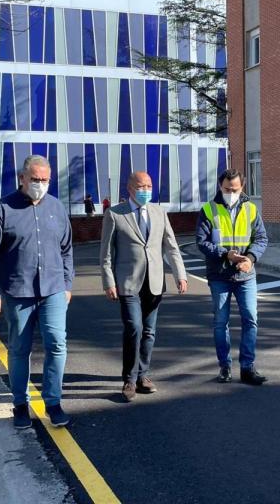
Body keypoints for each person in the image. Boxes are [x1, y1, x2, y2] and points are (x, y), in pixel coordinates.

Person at [0, 155, 74, 428]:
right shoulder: (2, 209)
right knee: (19, 348)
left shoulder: (56, 208)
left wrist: (68, 284)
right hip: (18, 290)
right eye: (35, 179)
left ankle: (53, 402)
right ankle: (20, 404)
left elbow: (66, 249)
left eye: (45, 180)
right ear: (22, 178)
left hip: (53, 289)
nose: (40, 184)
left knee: (57, 343)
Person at [100, 172, 188, 402]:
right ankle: (129, 379)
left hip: (154, 281)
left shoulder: (159, 212)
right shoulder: (115, 214)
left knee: (149, 331)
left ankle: (143, 375)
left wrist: (180, 274)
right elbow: (106, 253)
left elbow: (171, 246)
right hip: (128, 282)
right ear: (130, 188)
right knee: (134, 327)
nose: (146, 190)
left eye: (149, 186)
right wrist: (109, 281)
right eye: (141, 186)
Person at [196, 169, 269, 385]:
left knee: (251, 320)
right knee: (221, 322)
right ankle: (225, 366)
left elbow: (261, 238)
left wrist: (250, 259)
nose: (231, 193)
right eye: (227, 189)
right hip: (219, 275)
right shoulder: (209, 209)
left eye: (235, 189)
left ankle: (247, 367)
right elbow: (202, 241)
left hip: (245, 275)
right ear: (220, 186)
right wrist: (225, 254)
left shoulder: (251, 209)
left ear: (242, 187)